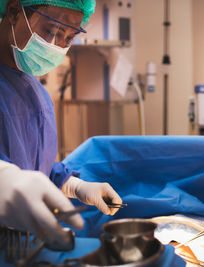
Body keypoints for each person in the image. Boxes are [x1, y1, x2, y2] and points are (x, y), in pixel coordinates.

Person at [0, 0, 122, 236]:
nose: (57, 47)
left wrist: (75, 186)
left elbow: (36, 170)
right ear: (15, 11)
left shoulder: (36, 95)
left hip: (22, 247)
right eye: (52, 31)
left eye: (69, 38)